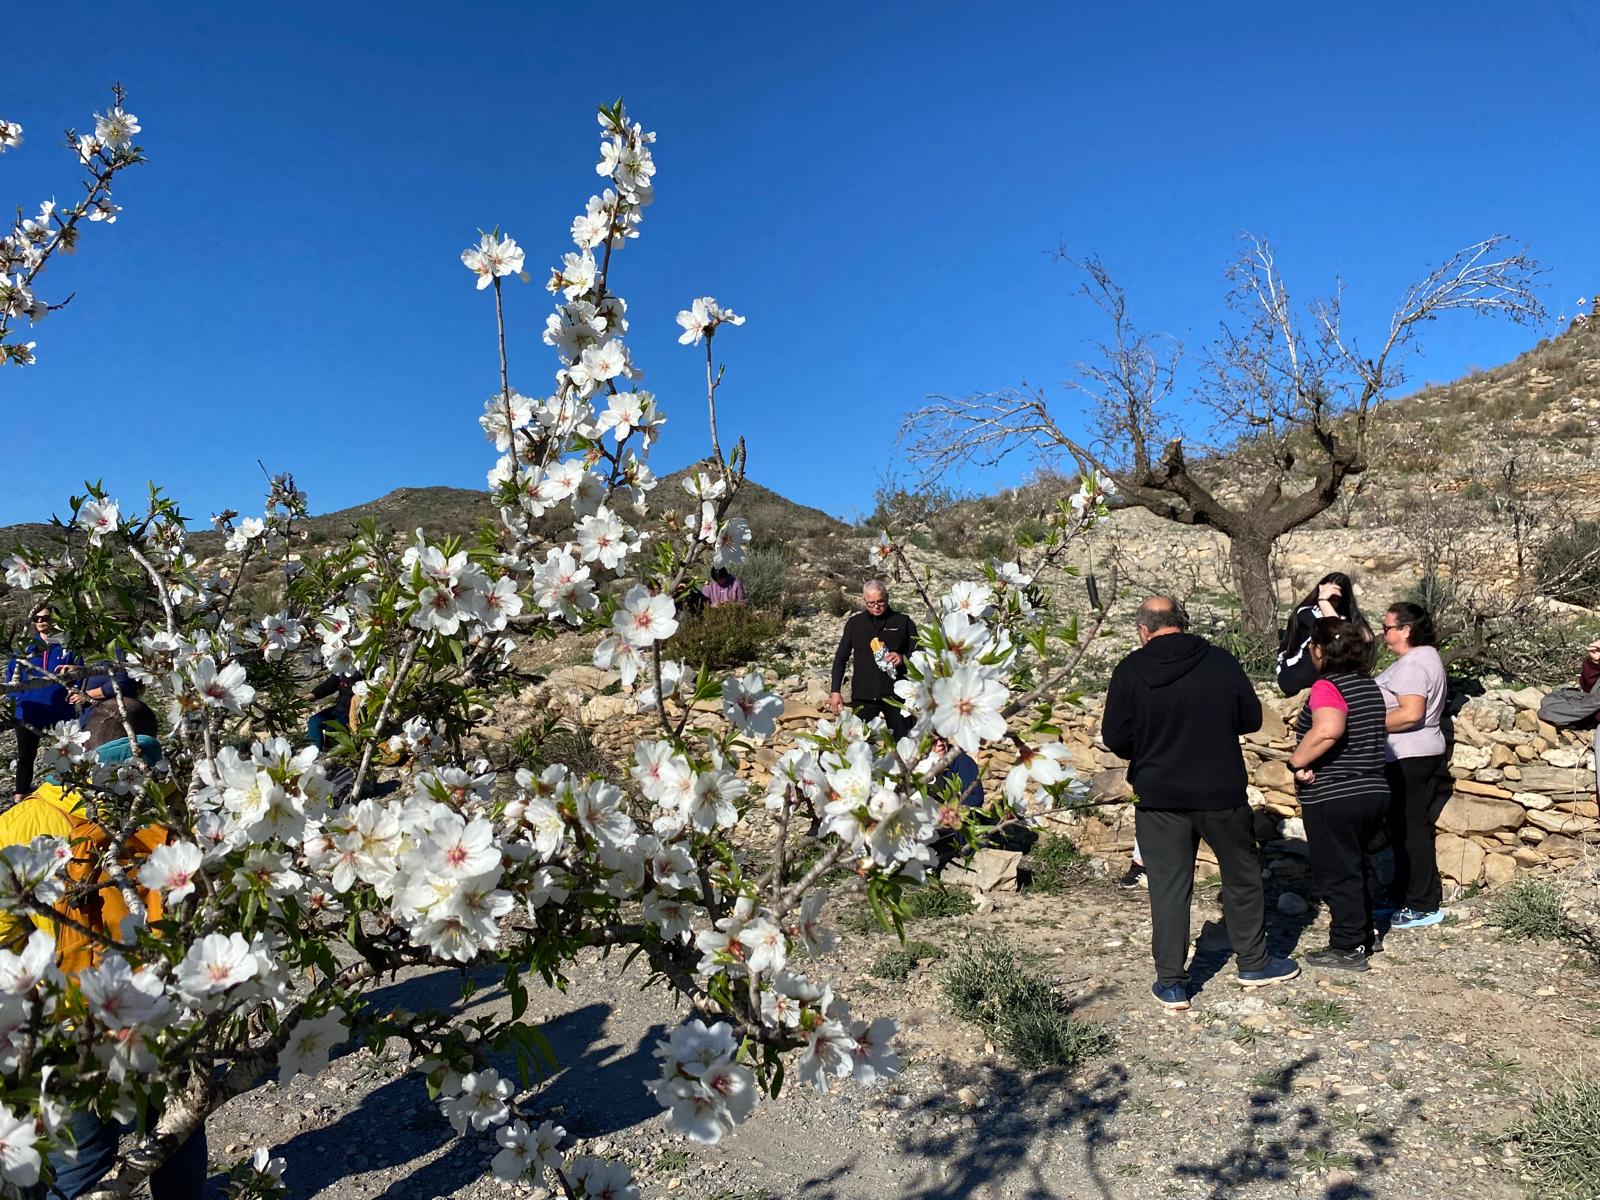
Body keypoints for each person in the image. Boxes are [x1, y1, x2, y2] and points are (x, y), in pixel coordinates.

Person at [0, 718, 206, 1200]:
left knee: (80, 1158)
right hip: (169, 1007)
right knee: (178, 1128)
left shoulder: (22, 823)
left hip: (80, 1020)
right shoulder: (168, 802)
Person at [1102, 596, 1299, 1011]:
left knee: (1169, 887)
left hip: (1158, 796)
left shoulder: (1130, 670)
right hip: (1219, 791)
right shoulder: (1220, 662)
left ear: (1144, 630)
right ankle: (1253, 963)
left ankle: (1172, 983)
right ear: (1183, 622)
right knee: (1242, 875)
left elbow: (1116, 739)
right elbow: (1250, 718)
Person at [1288, 619, 1390, 971]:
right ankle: (1366, 932)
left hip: (1336, 794)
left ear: (1319, 650)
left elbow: (1330, 729)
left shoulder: (1328, 686)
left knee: (1338, 871)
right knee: (1361, 864)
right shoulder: (1368, 685)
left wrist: (1297, 760)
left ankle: (1347, 946)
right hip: (1373, 789)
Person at [1375, 601, 1450, 930]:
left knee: (1412, 830)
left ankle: (1422, 904)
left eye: (1387, 628)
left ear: (1406, 630)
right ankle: (1405, 895)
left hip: (1410, 756)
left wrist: (1368, 722)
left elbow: (1410, 713)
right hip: (1417, 753)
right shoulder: (1425, 658)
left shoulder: (1413, 665)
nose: (1383, 634)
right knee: (1405, 828)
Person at [6, 605, 82, 803]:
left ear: (55, 619)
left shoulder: (68, 646)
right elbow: (12, 679)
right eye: (36, 618)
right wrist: (16, 703)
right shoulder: (25, 649)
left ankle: (71, 794)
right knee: (25, 756)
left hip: (61, 710)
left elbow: (82, 674)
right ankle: (19, 797)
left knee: (69, 754)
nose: (40, 622)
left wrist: (78, 690)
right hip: (30, 709)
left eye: (45, 618)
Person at [829, 579, 916, 739]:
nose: (876, 606)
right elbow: (841, 657)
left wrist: (902, 658)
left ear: (888, 598)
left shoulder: (903, 622)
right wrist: (835, 691)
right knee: (860, 744)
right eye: (871, 603)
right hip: (863, 696)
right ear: (864, 601)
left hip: (896, 697)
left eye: (880, 601)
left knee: (904, 742)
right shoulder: (855, 624)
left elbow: (919, 653)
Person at [1276, 573, 1373, 695]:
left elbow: (1367, 637)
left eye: (1335, 599)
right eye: (1329, 598)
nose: (1331, 602)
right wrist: (1323, 601)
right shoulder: (1306, 613)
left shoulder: (1344, 617)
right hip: (1293, 675)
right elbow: (1338, 633)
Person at [307, 673, 358, 751]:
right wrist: (313, 694)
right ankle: (313, 755)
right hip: (340, 708)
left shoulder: (365, 671)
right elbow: (330, 684)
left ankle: (334, 756)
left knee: (332, 728)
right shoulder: (343, 670)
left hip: (355, 712)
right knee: (313, 722)